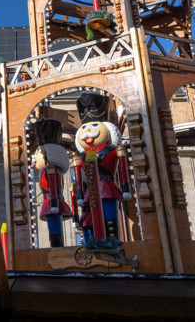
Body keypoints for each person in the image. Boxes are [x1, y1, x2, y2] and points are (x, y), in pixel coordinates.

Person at [70, 92, 131, 243]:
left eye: (95, 126)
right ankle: (95, 241)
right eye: (84, 128)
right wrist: (79, 194)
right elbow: (79, 176)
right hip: (90, 191)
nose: (87, 133)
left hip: (108, 185)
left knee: (110, 217)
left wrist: (125, 188)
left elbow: (122, 166)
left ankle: (113, 240)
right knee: (92, 219)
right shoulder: (82, 156)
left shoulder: (112, 150)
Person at [31, 119, 72, 248]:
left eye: (38, 153)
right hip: (51, 201)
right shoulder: (51, 169)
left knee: (54, 228)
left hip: (52, 201)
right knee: (53, 227)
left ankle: (56, 244)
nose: (34, 157)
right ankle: (56, 243)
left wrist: (53, 202)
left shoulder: (51, 169)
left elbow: (53, 185)